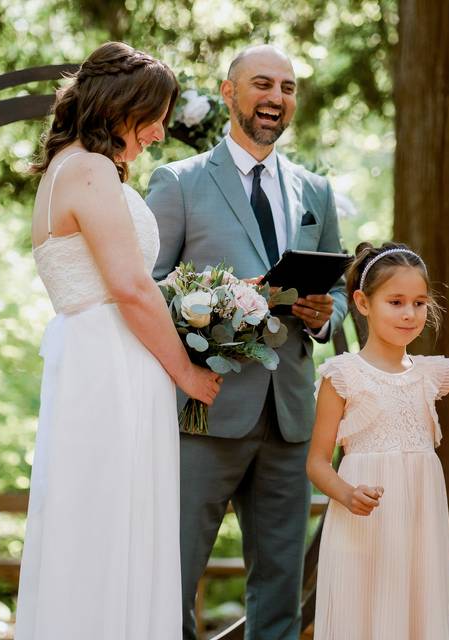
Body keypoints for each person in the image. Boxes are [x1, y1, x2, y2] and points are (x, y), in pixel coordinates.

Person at [14, 42, 220, 640]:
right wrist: (188, 375)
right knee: (110, 518)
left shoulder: (69, 168)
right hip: (111, 363)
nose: (159, 131)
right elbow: (131, 287)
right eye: (152, 116)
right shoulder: (89, 168)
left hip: (97, 356)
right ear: (119, 106)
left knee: (97, 516)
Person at [146, 44, 347, 639]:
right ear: (229, 92)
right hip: (205, 411)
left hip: (289, 417)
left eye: (286, 88)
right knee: (174, 576)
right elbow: (148, 289)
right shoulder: (178, 182)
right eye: (262, 84)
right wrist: (219, 301)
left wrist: (320, 315)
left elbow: (337, 294)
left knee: (281, 588)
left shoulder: (315, 191)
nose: (275, 98)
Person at [307, 241, 449, 639]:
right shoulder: (341, 375)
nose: (409, 314)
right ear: (362, 302)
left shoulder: (430, 374)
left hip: (420, 520)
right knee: (365, 617)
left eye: (419, 302)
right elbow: (318, 463)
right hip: (365, 522)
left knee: (416, 615)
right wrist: (345, 492)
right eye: (395, 302)